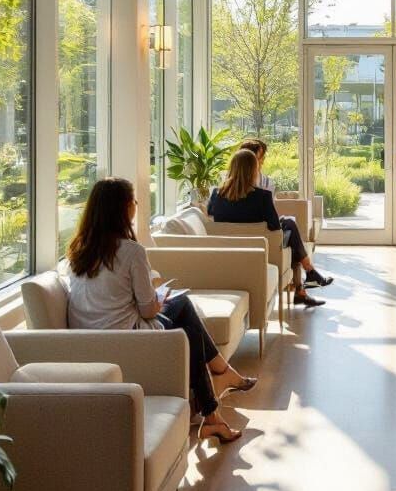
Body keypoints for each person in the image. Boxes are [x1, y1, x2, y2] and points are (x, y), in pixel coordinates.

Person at [66, 177, 255, 443]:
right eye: (133, 201)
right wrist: (158, 298)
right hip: (128, 339)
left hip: (88, 340)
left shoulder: (77, 251)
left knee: (182, 311)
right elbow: (147, 311)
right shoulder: (131, 251)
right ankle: (217, 391)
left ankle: (219, 389)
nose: (136, 205)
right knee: (185, 317)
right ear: (122, 209)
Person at [208, 149, 333, 307]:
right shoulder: (262, 196)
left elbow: (213, 219)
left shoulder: (216, 195)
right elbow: (275, 227)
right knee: (290, 229)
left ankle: (304, 285)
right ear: (253, 171)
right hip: (263, 248)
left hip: (230, 249)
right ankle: (308, 274)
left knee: (289, 225)